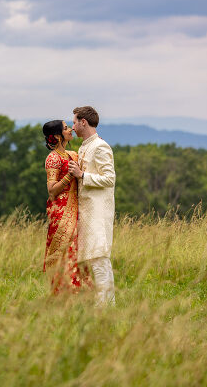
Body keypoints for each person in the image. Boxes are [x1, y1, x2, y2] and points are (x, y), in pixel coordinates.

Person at [68, 106, 116, 306]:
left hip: (97, 213)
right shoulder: (84, 146)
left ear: (83, 122)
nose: (72, 127)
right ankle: (103, 304)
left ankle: (105, 307)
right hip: (87, 214)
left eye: (74, 122)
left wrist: (82, 175)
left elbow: (109, 179)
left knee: (99, 259)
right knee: (92, 259)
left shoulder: (100, 147)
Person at [42, 119, 82, 293]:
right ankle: (61, 293)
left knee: (75, 251)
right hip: (61, 211)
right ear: (58, 136)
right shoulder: (53, 159)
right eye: (66, 129)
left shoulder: (72, 155)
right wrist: (70, 177)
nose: (70, 130)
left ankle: (76, 291)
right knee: (64, 252)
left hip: (75, 207)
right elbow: (51, 191)